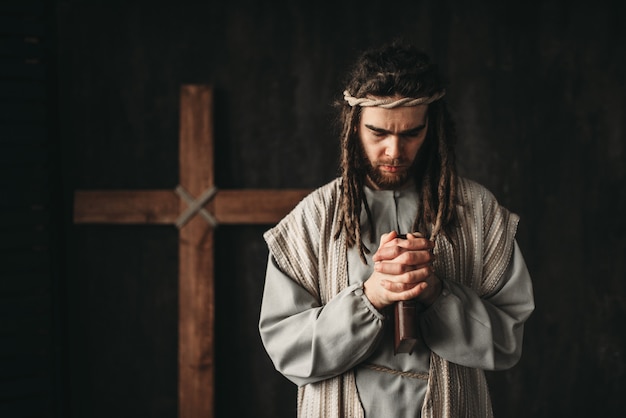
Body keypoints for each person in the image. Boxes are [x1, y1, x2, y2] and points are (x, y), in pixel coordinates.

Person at [258, 40, 534, 417]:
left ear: (432, 128)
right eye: (378, 133)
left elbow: (507, 343)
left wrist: (438, 293)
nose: (394, 151)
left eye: (411, 134)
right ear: (353, 126)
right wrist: (370, 297)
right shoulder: (312, 220)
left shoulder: (479, 212)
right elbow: (286, 351)